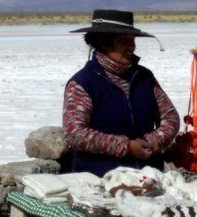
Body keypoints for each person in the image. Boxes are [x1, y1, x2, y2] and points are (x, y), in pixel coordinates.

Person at [62, 9, 180, 177]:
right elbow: (75, 134)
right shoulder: (83, 83)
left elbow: (170, 117)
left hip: (148, 178)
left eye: (132, 40)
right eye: (124, 40)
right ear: (103, 42)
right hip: (97, 181)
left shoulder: (144, 77)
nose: (131, 46)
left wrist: (150, 143)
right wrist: (127, 147)